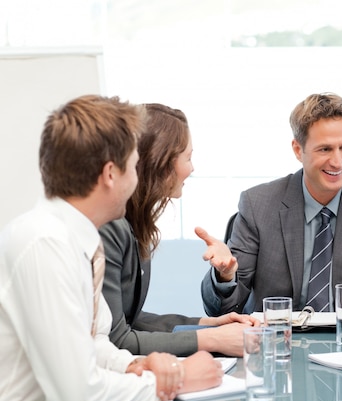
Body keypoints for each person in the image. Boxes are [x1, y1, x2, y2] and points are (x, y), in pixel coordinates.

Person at [0, 95, 223, 401]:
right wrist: (175, 383)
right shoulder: (45, 244)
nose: (138, 178)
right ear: (109, 174)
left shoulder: (75, 239)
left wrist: (138, 364)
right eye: (134, 166)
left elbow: (96, 342)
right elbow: (79, 396)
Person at [199, 92, 342, 318]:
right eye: (325, 149)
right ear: (298, 150)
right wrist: (225, 277)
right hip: (278, 342)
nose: (337, 162)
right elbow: (221, 310)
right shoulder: (258, 205)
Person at [98, 103, 258, 358]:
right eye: (188, 157)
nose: (192, 169)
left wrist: (207, 324)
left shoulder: (132, 225)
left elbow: (130, 320)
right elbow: (116, 339)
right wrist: (212, 339)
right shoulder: (110, 227)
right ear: (160, 161)